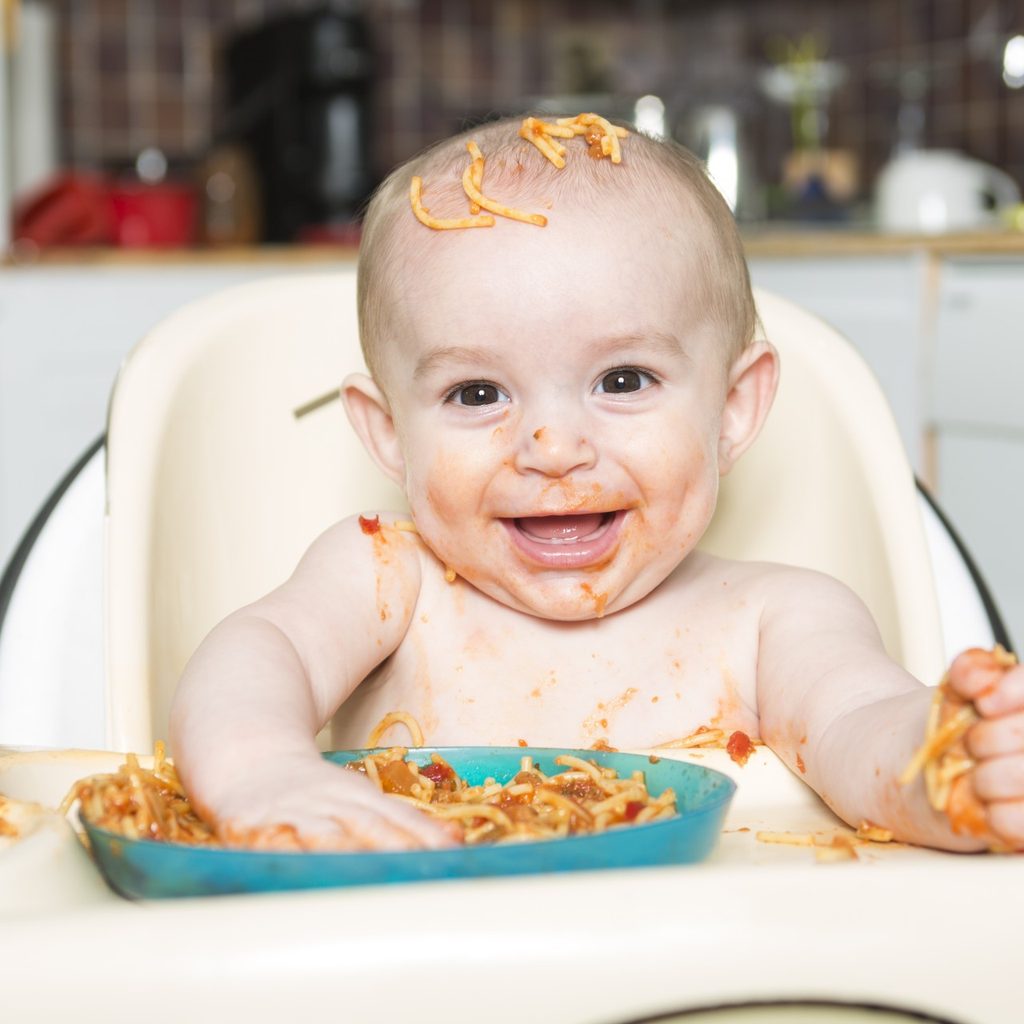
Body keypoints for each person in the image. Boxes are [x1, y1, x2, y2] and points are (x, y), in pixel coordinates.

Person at [170, 115, 1024, 853]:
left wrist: (954, 770)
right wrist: (264, 771)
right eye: (477, 394)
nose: (552, 447)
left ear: (732, 408)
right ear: (389, 432)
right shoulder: (388, 582)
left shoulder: (772, 620)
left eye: (622, 381)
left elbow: (861, 728)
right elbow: (256, 656)